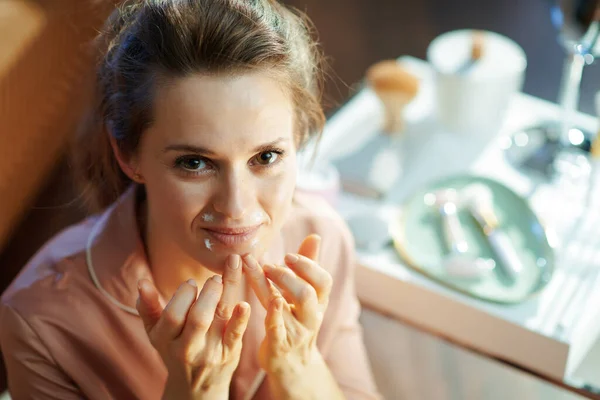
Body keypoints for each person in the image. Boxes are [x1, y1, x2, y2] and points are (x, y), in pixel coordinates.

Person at [0, 0, 381, 398]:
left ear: (298, 139)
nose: (237, 207)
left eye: (265, 157)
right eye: (195, 163)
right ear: (128, 155)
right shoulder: (42, 319)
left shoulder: (319, 241)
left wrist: (298, 365)